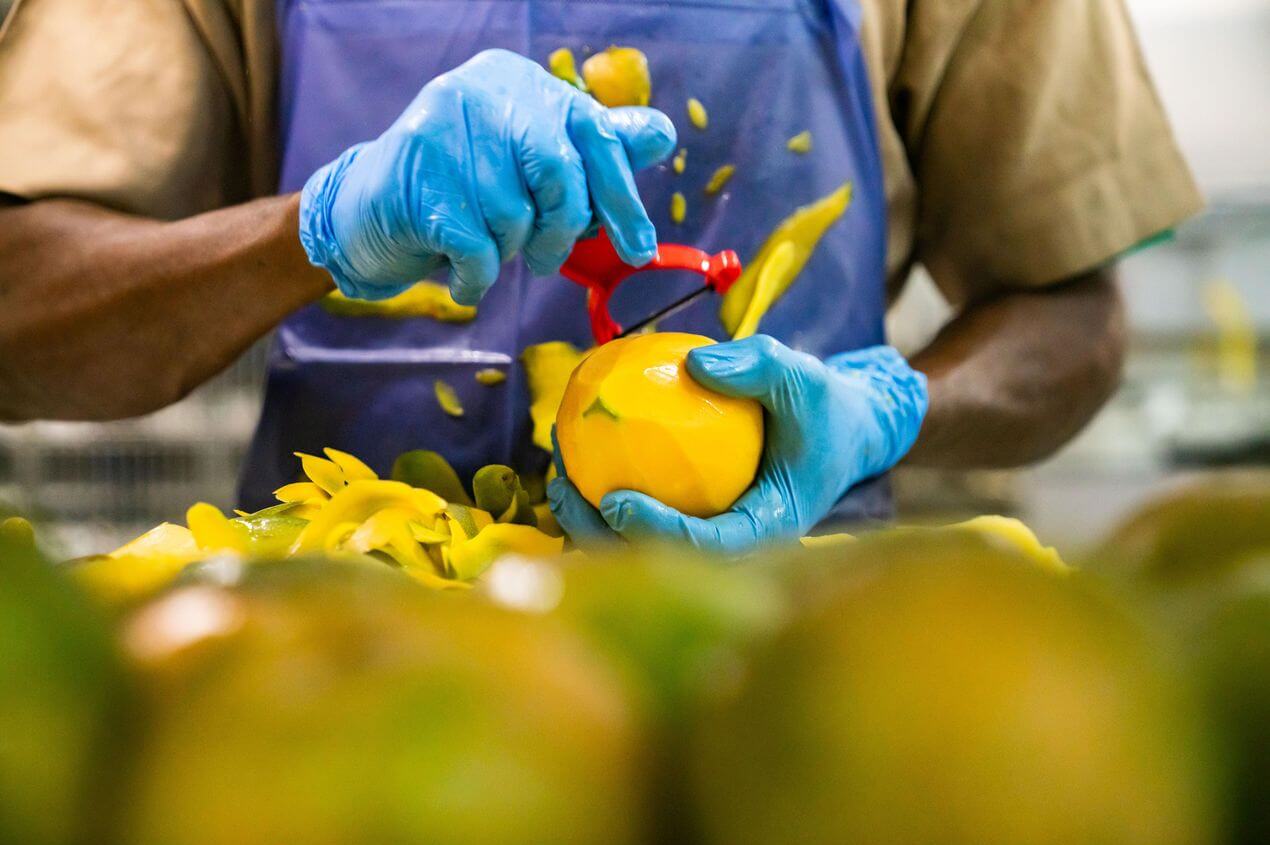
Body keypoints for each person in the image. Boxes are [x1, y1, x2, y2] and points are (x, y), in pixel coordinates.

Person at [0, 0, 1200, 551]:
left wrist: (888, 411)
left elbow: (1074, 316)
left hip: (785, 666)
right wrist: (310, 229)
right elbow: (19, 313)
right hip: (340, 662)